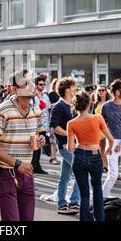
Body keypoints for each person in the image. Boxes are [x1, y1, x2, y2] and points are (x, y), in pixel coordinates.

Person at [0, 70, 46, 221]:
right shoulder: (3, 110)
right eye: (26, 83)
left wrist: (41, 140)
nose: (32, 86)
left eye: (32, 82)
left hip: (26, 173)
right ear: (14, 89)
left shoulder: (35, 110)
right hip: (4, 174)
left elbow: (39, 133)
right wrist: (17, 163)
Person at [67, 92, 114, 221]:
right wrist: (108, 150)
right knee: (97, 189)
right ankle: (99, 219)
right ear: (89, 104)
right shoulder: (98, 119)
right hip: (95, 156)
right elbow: (111, 139)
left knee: (84, 195)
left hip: (79, 156)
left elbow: (70, 148)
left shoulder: (71, 123)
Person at [50, 77, 80, 214]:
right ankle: (74, 202)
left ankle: (61, 203)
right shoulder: (59, 106)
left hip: (72, 145)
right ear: (67, 89)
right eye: (74, 86)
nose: (75, 89)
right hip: (65, 146)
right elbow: (54, 127)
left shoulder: (72, 106)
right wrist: (70, 135)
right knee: (81, 172)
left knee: (64, 176)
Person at [31, 76, 50, 174]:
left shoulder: (46, 96)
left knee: (40, 145)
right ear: (36, 85)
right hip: (35, 124)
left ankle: (37, 165)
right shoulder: (32, 97)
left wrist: (48, 125)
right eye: (40, 84)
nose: (42, 86)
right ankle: (33, 165)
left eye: (44, 84)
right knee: (35, 146)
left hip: (44, 124)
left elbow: (47, 111)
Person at [93, 84, 111, 172]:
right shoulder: (95, 103)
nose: (101, 92)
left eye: (103, 90)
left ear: (106, 91)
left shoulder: (110, 103)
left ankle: (107, 166)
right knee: (98, 148)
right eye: (99, 90)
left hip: (106, 128)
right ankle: (103, 165)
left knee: (105, 148)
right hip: (97, 128)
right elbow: (92, 115)